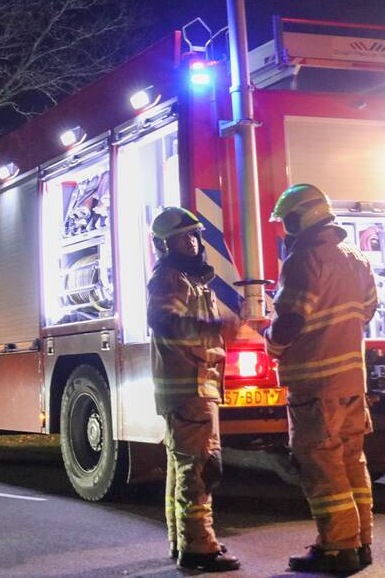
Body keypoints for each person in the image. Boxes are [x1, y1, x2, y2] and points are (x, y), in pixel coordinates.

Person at [262, 184, 377, 573]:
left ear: (301, 218)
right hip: (351, 384)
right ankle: (361, 544)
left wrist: (271, 345)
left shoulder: (303, 260)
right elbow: (366, 310)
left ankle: (336, 548)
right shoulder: (355, 257)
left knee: (323, 467)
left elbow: (290, 320)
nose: (285, 231)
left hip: (316, 386)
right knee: (351, 463)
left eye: (287, 222)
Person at [146, 207, 240, 572]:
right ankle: (200, 547)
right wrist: (213, 327)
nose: (191, 242)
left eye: (194, 235)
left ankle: (183, 540)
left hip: (193, 386)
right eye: (181, 237)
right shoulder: (170, 278)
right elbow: (164, 321)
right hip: (189, 388)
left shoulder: (189, 278)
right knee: (200, 470)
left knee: (184, 468)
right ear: (164, 245)